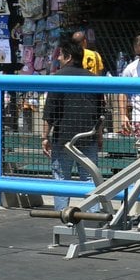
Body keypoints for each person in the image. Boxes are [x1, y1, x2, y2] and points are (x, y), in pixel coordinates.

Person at [42, 41, 105, 212]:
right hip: (88, 136)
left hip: (63, 137)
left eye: (61, 55)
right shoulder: (94, 79)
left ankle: (62, 214)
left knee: (61, 177)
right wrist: (99, 135)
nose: (59, 59)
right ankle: (95, 215)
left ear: (68, 57)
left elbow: (50, 112)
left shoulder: (58, 78)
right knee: (90, 177)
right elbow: (100, 112)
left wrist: (44, 137)